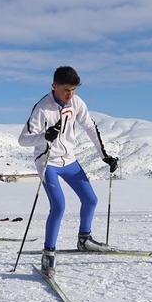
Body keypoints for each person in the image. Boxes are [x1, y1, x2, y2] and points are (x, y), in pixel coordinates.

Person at [18, 66, 119, 276]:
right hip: (48, 163)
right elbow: (23, 140)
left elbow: (91, 127)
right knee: (59, 206)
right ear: (54, 86)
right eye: (66, 90)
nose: (70, 94)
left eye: (73, 90)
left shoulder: (76, 103)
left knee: (90, 199)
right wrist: (45, 136)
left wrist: (104, 155)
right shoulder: (42, 108)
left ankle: (84, 240)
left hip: (69, 160)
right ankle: (48, 254)